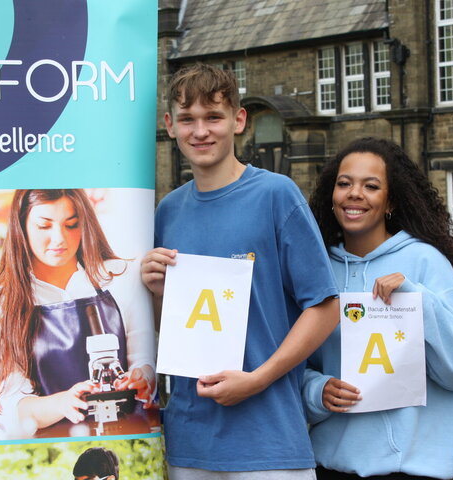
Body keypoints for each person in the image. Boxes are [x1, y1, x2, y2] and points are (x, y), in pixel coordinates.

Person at [141, 63, 339, 478]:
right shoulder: (168, 211)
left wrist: (257, 379)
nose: (201, 131)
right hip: (189, 443)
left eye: (213, 117)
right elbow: (172, 330)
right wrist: (157, 292)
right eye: (187, 119)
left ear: (239, 120)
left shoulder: (276, 195)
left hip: (269, 442)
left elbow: (325, 308)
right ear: (169, 126)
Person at [302, 137, 453, 479]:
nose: (354, 193)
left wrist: (415, 299)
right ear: (331, 195)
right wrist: (317, 389)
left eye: (371, 186)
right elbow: (294, 361)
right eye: (344, 183)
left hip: (413, 471)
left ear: (390, 200)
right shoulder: (315, 267)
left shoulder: (425, 262)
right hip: (327, 466)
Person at [0, 189, 155, 438]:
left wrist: (143, 377)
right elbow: (17, 407)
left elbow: (145, 358)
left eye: (71, 225)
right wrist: (62, 403)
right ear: (21, 227)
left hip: (131, 437)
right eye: (44, 226)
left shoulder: (121, 279)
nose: (59, 239)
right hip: (53, 450)